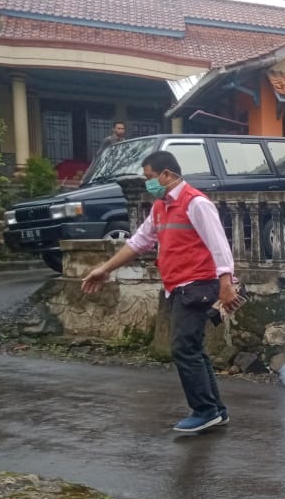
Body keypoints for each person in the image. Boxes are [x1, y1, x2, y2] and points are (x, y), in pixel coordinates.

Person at [81, 151, 239, 434]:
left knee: (183, 347)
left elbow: (219, 244)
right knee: (193, 348)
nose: (148, 183)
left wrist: (226, 282)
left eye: (150, 177)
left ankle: (204, 411)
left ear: (167, 174)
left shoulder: (196, 203)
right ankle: (215, 410)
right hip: (178, 284)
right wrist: (105, 269)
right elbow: (139, 242)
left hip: (198, 284)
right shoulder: (160, 207)